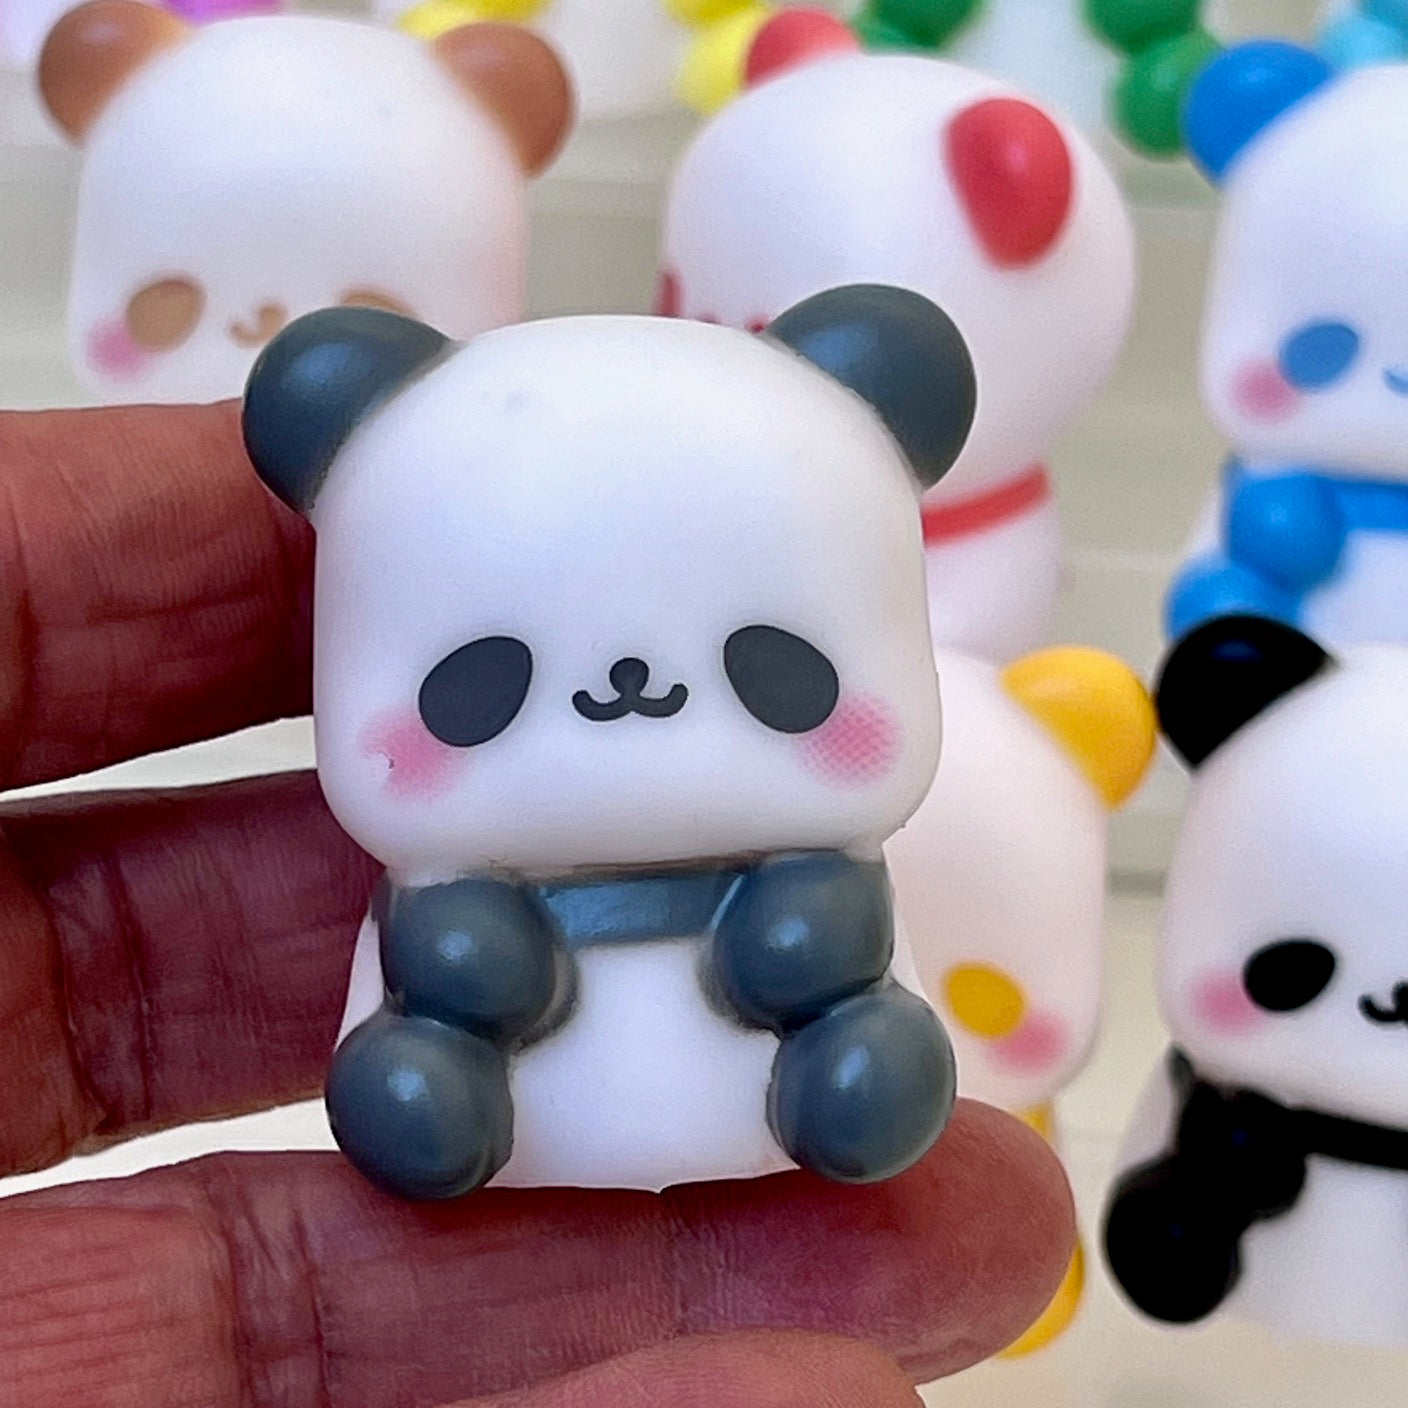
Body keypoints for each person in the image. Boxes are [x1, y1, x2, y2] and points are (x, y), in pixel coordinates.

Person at [0, 402, 1074, 1407]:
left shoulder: (820, 850)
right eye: (489, 678)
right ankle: (441, 1072)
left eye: (764, 665)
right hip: (491, 966)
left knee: (837, 974)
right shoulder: (446, 868)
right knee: (446, 991)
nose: (631, 693)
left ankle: (845, 1051)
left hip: (785, 961)